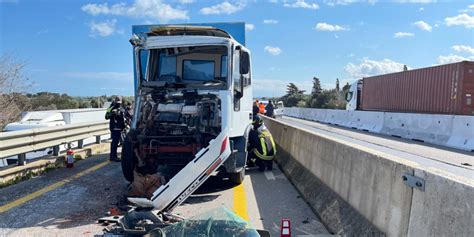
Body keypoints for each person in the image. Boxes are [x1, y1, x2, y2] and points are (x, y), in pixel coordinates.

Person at [105, 96, 126, 162]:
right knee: (114, 142)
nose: (118, 104)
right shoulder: (111, 107)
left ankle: (115, 156)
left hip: (120, 127)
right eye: (117, 102)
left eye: (119, 103)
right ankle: (113, 156)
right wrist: (113, 114)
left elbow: (124, 117)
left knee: (119, 142)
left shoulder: (121, 108)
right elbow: (106, 116)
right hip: (114, 127)